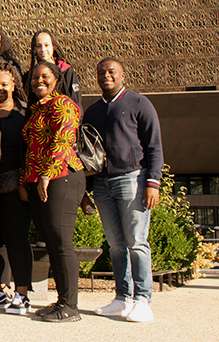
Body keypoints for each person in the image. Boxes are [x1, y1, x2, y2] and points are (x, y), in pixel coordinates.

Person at [85, 57, 163, 323]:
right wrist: (86, 191)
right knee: (116, 244)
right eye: (101, 73)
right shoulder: (93, 111)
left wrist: (153, 182)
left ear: (122, 75)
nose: (106, 76)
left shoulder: (139, 103)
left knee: (136, 242)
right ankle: (122, 298)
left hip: (132, 179)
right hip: (102, 184)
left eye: (111, 72)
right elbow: (87, 153)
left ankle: (143, 300)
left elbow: (153, 146)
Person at [22, 61, 85, 323]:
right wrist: (27, 181)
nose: (39, 81)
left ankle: (70, 306)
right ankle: (61, 300)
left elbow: (63, 139)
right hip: (40, 180)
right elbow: (33, 148)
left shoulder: (64, 104)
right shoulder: (37, 108)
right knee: (51, 241)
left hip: (62, 177)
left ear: (57, 79)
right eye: (35, 77)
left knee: (61, 242)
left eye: (45, 76)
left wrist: (46, 174)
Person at [0, 61, 34, 315]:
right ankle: (3, 289)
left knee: (17, 239)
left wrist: (24, 182)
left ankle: (22, 294)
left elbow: (29, 152)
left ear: (14, 85)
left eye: (4, 84)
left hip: (15, 185)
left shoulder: (24, 114)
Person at [25, 30, 81, 106]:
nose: (43, 49)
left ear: (53, 47)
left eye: (46, 45)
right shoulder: (31, 75)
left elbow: (75, 101)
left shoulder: (66, 70)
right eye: (39, 46)